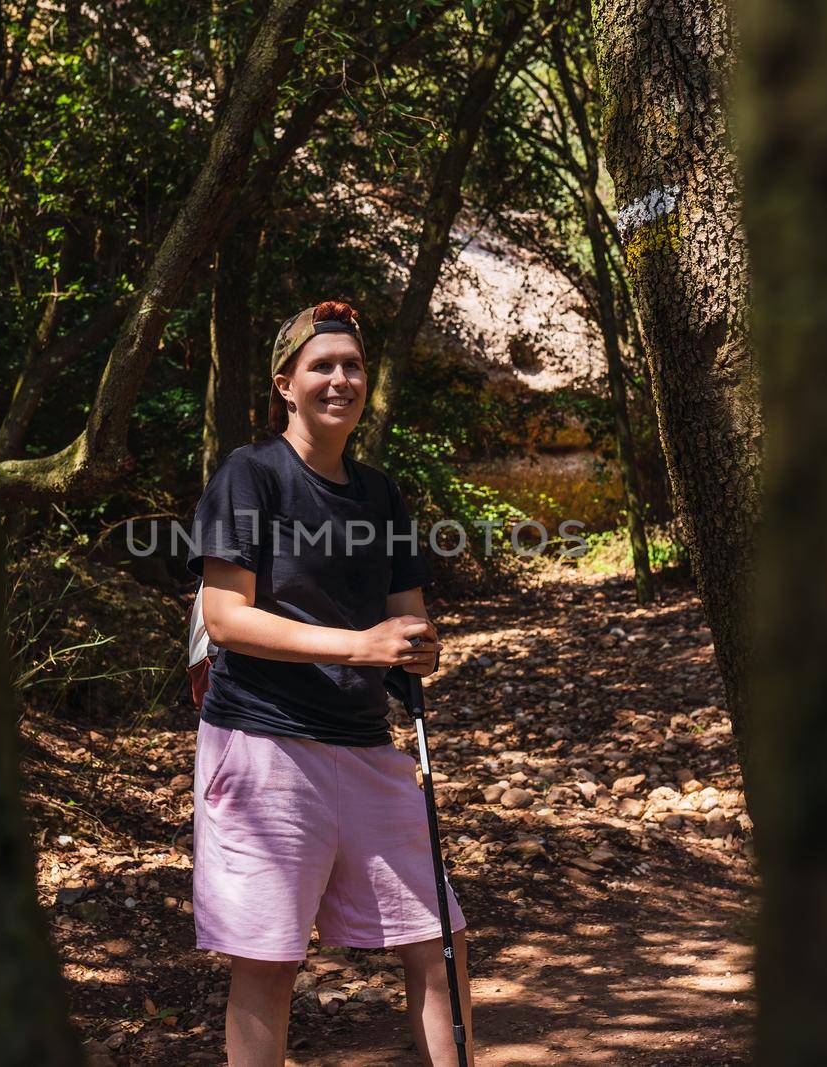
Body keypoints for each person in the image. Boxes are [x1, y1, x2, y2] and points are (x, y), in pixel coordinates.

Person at [186, 300, 474, 1066]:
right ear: (285, 383)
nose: (340, 379)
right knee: (271, 960)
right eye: (322, 365)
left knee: (436, 937)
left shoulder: (381, 495)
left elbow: (408, 624)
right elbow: (226, 619)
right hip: (262, 745)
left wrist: (416, 651)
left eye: (352, 366)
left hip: (365, 745)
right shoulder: (250, 475)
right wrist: (362, 644)